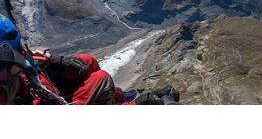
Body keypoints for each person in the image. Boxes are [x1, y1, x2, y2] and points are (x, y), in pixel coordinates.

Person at [0, 16, 180, 105]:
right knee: (100, 79)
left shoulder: (11, 74)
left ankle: (118, 97)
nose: (23, 54)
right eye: (18, 53)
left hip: (40, 90)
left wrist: (55, 60)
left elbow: (30, 64)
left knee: (88, 62)